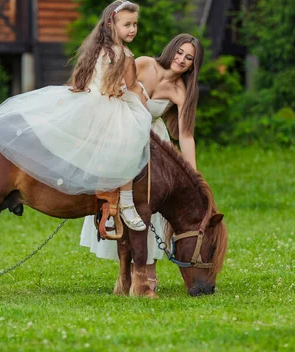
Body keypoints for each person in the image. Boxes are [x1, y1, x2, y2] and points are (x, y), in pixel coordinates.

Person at [0, 0, 151, 231]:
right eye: (127, 24)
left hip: (87, 102)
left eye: (134, 25)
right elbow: (132, 86)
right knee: (129, 143)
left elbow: (85, 78)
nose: (132, 29)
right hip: (107, 106)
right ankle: (127, 202)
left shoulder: (95, 50)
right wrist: (144, 103)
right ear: (112, 24)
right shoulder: (126, 56)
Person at [80, 34, 204, 289]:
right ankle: (124, 270)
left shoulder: (182, 91)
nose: (181, 59)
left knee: (153, 204)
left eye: (189, 58)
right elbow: (117, 88)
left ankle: (148, 269)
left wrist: (193, 176)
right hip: (123, 129)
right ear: (171, 49)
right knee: (118, 199)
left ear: (193, 65)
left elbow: (186, 135)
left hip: (154, 140)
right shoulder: (146, 64)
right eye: (180, 52)